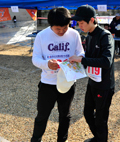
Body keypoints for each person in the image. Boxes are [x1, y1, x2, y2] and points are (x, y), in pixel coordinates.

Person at [30, 7, 85, 142]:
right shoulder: (42, 36)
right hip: (48, 83)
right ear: (50, 26)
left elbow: (81, 53)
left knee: (65, 115)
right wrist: (47, 64)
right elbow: (35, 59)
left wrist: (77, 59)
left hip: (68, 82)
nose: (61, 32)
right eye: (57, 29)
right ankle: (36, 139)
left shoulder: (74, 34)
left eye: (64, 28)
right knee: (42, 115)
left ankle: (62, 139)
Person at [69, 5, 115, 142]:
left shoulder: (105, 36)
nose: (79, 26)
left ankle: (101, 139)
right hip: (92, 81)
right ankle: (98, 138)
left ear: (92, 20)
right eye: (78, 23)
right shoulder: (88, 36)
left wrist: (82, 59)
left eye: (81, 23)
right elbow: (87, 58)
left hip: (104, 85)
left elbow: (106, 61)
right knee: (87, 113)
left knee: (101, 117)